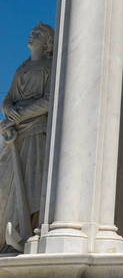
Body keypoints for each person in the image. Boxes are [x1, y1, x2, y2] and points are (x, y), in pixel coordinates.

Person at [0, 23, 54, 252]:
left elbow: (49, 100)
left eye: (38, 34)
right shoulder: (21, 68)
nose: (32, 35)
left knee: (31, 185)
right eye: (31, 32)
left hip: (34, 133)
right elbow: (7, 99)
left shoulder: (51, 66)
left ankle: (25, 234)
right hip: (14, 133)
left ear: (48, 43)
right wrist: (8, 111)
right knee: (5, 185)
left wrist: (18, 116)